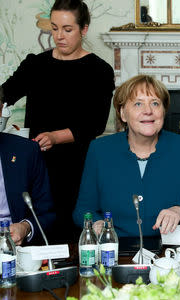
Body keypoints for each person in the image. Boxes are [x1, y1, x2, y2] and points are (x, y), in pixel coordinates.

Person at [0, 0, 115, 243]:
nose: (59, 36)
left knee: (70, 234)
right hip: (34, 164)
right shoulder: (35, 65)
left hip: (76, 166)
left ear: (84, 29)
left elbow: (94, 124)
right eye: (54, 28)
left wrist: (54, 137)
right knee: (37, 229)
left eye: (67, 29)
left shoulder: (99, 71)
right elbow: (5, 94)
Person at [73, 75, 180, 237]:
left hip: (169, 254)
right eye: (138, 103)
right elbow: (83, 209)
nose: (148, 111)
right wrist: (96, 223)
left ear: (163, 111)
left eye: (155, 103)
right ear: (122, 114)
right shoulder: (99, 150)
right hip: (116, 250)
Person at [0, 100, 55, 245]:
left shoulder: (26, 151)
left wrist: (25, 227)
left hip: (13, 250)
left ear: (0, 110)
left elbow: (46, 213)